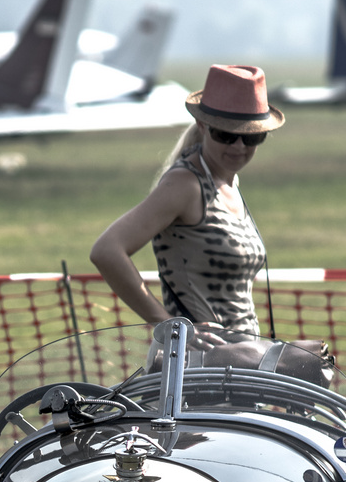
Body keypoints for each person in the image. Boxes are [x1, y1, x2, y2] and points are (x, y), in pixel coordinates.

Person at [90, 64, 284, 345]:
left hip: (241, 360)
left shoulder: (228, 182)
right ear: (203, 126)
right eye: (226, 134)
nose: (240, 146)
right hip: (200, 367)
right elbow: (107, 250)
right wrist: (169, 327)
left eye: (253, 136)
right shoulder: (186, 184)